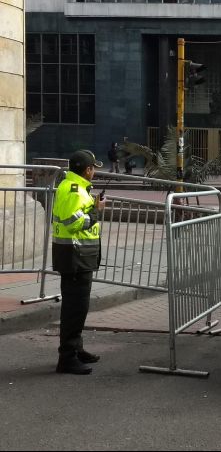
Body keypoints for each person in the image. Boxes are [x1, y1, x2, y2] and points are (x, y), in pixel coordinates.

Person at [52, 150, 106, 375]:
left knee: (77, 306)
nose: (94, 172)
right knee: (75, 307)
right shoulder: (73, 189)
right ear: (88, 170)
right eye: (94, 168)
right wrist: (96, 211)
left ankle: (76, 349)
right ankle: (67, 358)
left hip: (78, 254)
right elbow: (71, 222)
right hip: (74, 255)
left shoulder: (75, 187)